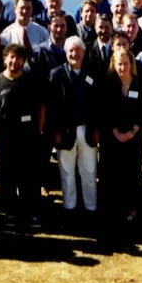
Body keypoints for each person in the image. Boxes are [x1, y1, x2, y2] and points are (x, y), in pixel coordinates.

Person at [0, 44, 46, 229]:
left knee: (30, 179)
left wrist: (39, 129)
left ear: (23, 61)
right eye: (11, 57)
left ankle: (32, 214)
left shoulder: (31, 82)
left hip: (28, 139)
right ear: (5, 59)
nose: (14, 61)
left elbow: (42, 106)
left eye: (18, 58)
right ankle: (11, 214)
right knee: (8, 179)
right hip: (4, 140)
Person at [48, 37, 99, 221]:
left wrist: (97, 129)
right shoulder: (56, 74)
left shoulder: (92, 74)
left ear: (83, 53)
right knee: (67, 172)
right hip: (65, 132)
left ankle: (91, 208)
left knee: (89, 171)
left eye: (78, 51)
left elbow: (97, 104)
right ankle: (69, 209)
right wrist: (55, 132)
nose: (75, 54)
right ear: (66, 53)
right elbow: (51, 107)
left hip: (88, 130)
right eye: (71, 51)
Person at [99, 47, 142, 245]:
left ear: (131, 64)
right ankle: (114, 215)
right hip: (113, 138)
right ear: (114, 64)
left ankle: (132, 212)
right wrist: (116, 133)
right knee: (113, 175)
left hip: (134, 137)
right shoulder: (108, 84)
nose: (122, 67)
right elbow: (104, 111)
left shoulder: (137, 84)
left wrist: (132, 132)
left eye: (125, 63)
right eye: (119, 63)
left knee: (132, 173)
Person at [30, 12, 68, 80]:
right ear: (49, 27)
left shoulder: (72, 52)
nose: (59, 29)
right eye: (56, 26)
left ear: (66, 28)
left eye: (62, 26)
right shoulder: (39, 52)